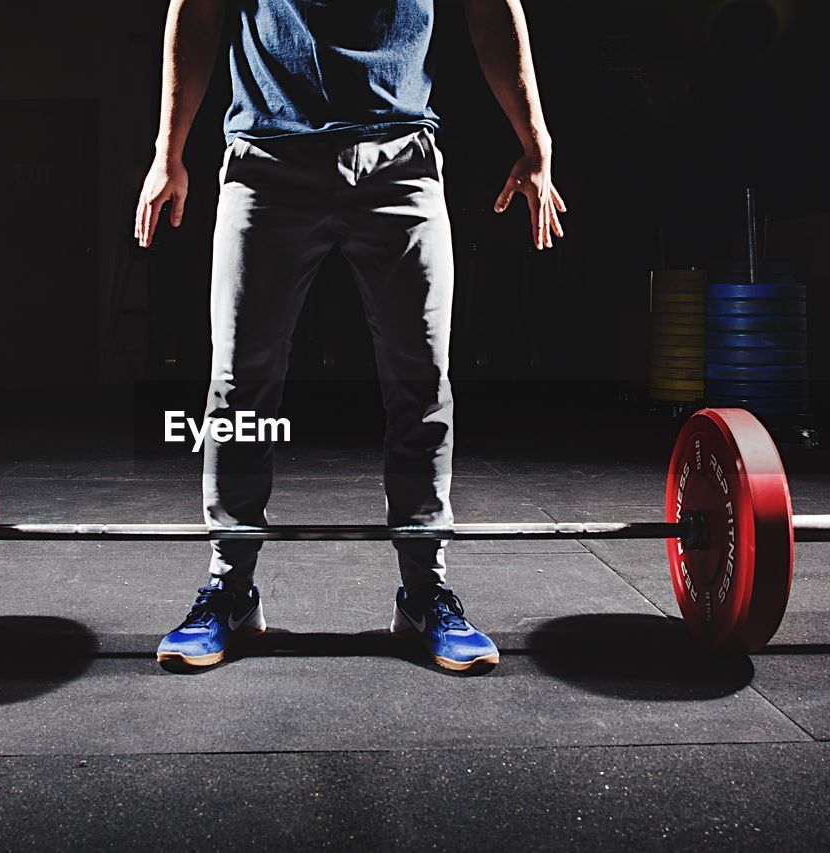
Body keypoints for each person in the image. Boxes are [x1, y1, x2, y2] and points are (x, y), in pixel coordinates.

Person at [135, 0, 565, 672]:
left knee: (422, 386)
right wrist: (169, 150)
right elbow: (197, 11)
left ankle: (425, 593)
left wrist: (535, 140)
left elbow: (489, 11)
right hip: (266, 159)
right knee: (238, 390)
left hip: (402, 158)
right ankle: (230, 590)